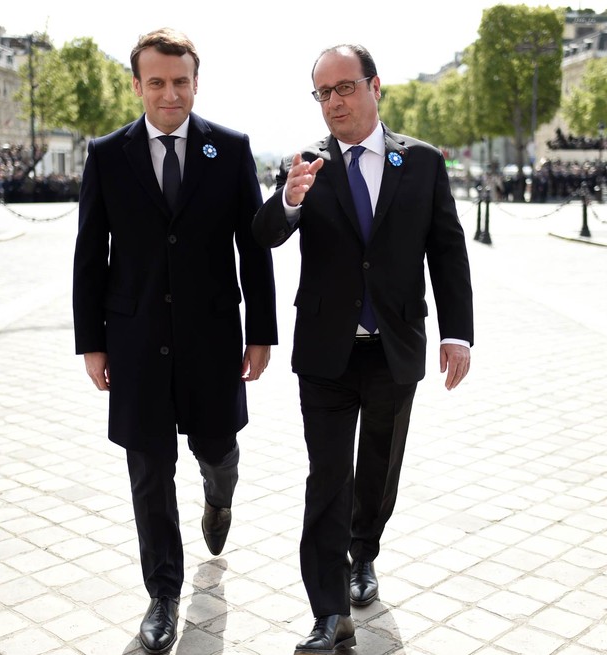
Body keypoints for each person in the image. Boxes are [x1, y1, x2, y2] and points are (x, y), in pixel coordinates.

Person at [252, 44, 474, 654]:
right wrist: (289, 200)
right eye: (323, 93)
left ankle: (363, 553)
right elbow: (263, 236)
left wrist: (457, 333)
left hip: (393, 349)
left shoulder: (423, 162)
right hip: (325, 354)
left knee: (377, 470)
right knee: (327, 478)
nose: (334, 103)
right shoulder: (305, 165)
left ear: (375, 86)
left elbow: (447, 250)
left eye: (345, 88)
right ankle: (328, 613)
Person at [72, 27, 277, 655]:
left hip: (213, 338)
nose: (169, 93)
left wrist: (261, 333)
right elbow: (90, 254)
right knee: (149, 470)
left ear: (195, 81)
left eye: (180, 81)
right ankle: (163, 595)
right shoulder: (108, 155)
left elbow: (254, 248)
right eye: (156, 82)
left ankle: (221, 495)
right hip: (134, 340)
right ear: (137, 85)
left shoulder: (231, 149)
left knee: (217, 449)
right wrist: (92, 342)